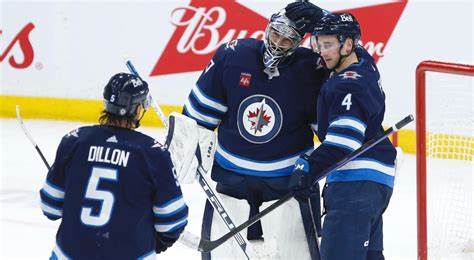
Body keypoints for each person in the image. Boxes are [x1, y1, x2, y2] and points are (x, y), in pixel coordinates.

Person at [179, 2, 326, 259]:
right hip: (233, 177)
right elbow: (197, 117)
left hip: (287, 180)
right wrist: (187, 154)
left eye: (287, 40)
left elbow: (329, 134)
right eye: (275, 33)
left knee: (297, 253)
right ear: (267, 28)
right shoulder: (233, 56)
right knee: (223, 253)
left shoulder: (311, 69)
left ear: (298, 43)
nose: (278, 42)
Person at [39, 73, 188, 259]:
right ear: (137, 109)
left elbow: (50, 207)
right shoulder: (153, 154)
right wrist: (160, 241)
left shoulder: (74, 141)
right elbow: (173, 222)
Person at [289, 12, 397, 260]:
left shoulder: (347, 85)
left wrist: (307, 168)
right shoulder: (364, 63)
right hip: (375, 183)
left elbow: (343, 144)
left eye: (328, 45)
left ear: (348, 45)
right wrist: (321, 15)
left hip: (355, 187)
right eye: (319, 43)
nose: (322, 52)